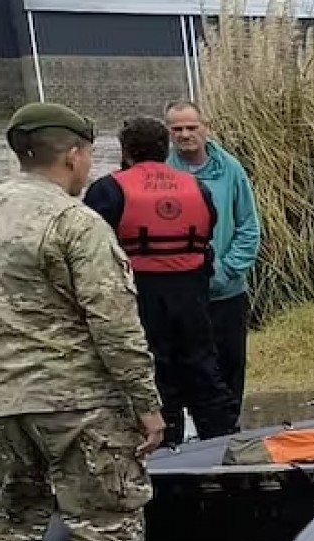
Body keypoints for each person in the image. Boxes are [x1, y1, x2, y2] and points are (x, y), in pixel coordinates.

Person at [0, 102, 168, 541]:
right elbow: (114, 323)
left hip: (1, 402)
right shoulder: (75, 222)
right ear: (73, 154)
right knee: (108, 522)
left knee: (9, 521)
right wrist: (146, 406)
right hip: (75, 404)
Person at [83, 116, 238, 446]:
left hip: (141, 294)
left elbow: (92, 245)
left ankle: (165, 449)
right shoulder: (197, 187)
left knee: (156, 373)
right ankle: (221, 444)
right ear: (165, 148)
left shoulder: (108, 189)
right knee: (204, 371)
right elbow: (207, 230)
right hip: (193, 293)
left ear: (126, 152)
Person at [166, 100, 262, 428]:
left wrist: (227, 271)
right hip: (181, 291)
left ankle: (228, 431)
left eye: (191, 127)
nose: (185, 135)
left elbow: (248, 226)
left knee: (230, 366)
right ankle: (186, 435)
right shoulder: (163, 171)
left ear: (206, 127)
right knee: (183, 367)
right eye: (177, 129)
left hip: (226, 291)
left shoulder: (230, 169)